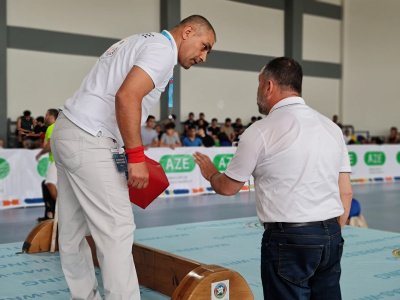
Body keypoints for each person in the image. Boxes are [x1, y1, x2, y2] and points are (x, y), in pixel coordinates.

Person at [51, 15, 216, 300]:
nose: (203, 57)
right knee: (117, 230)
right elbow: (128, 97)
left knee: (71, 231)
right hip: (92, 137)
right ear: (188, 32)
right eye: (204, 46)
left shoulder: (139, 40)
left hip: (69, 130)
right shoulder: (163, 50)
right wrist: (135, 156)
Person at [194, 57, 352, 300]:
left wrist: (211, 173)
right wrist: (328, 233)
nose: (257, 92)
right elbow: (346, 192)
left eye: (259, 85)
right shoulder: (331, 128)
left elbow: (228, 187)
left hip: (288, 237)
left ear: (268, 86)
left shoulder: (260, 131)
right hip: (331, 233)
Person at [36, 109, 59, 221]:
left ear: (51, 116)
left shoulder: (51, 127)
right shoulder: (58, 127)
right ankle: (51, 212)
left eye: (46, 115)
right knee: (49, 185)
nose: (45, 117)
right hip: (59, 160)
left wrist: (40, 154)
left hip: (56, 160)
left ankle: (60, 208)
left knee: (49, 183)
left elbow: (49, 145)